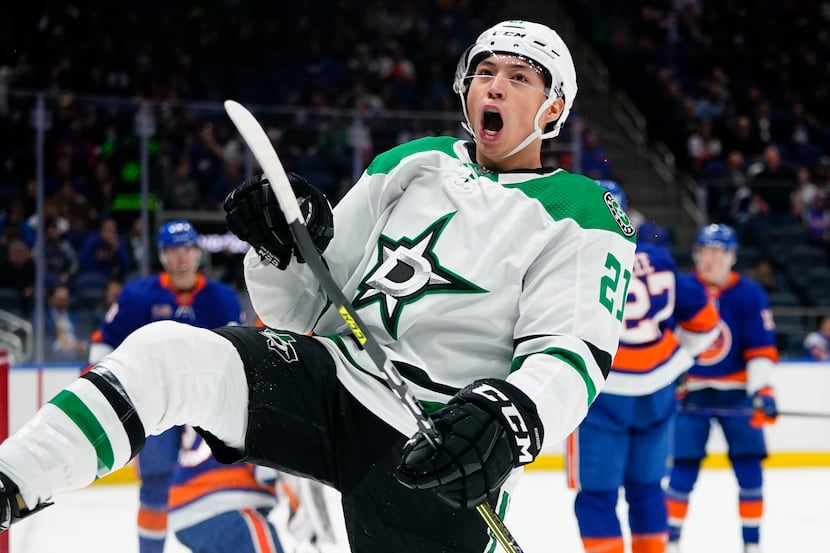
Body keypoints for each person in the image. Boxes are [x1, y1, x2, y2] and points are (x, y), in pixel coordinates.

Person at [0, 20, 637, 552]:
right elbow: (302, 304)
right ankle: (12, 481)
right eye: (484, 71)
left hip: (441, 442)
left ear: (553, 108)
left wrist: (510, 418)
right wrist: (281, 244)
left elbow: (573, 350)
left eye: (519, 76)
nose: (493, 85)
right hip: (334, 382)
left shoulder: (581, 208)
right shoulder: (414, 163)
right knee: (170, 356)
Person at [88, 219, 287, 553]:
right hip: (154, 405)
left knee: (216, 483)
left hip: (206, 406)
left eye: (188, 249)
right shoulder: (138, 296)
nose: (182, 258)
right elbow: (103, 344)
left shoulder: (221, 297)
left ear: (197, 253)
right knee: (155, 483)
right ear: (163, 256)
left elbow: (237, 354)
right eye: (173, 250)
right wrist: (109, 392)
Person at [569, 181, 720, 553]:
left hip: (603, 392)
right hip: (658, 390)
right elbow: (704, 320)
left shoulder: (576, 259)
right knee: (648, 490)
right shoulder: (660, 258)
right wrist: (678, 361)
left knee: (598, 496)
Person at [666, 224, 779, 553]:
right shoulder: (682, 289)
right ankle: (670, 542)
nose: (708, 257)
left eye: (717, 251)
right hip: (691, 394)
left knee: (749, 468)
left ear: (732, 257)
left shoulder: (749, 295)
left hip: (737, 395)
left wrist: (763, 390)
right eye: (704, 249)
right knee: (682, 469)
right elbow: (667, 342)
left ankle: (752, 544)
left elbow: (760, 349)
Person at [44, 284, 90, 362]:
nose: (63, 302)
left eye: (65, 299)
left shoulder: (76, 316)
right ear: (51, 299)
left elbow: (85, 334)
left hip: (77, 350)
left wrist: (82, 344)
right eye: (60, 299)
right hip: (56, 352)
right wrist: (60, 346)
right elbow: (41, 338)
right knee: (68, 356)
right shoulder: (43, 316)